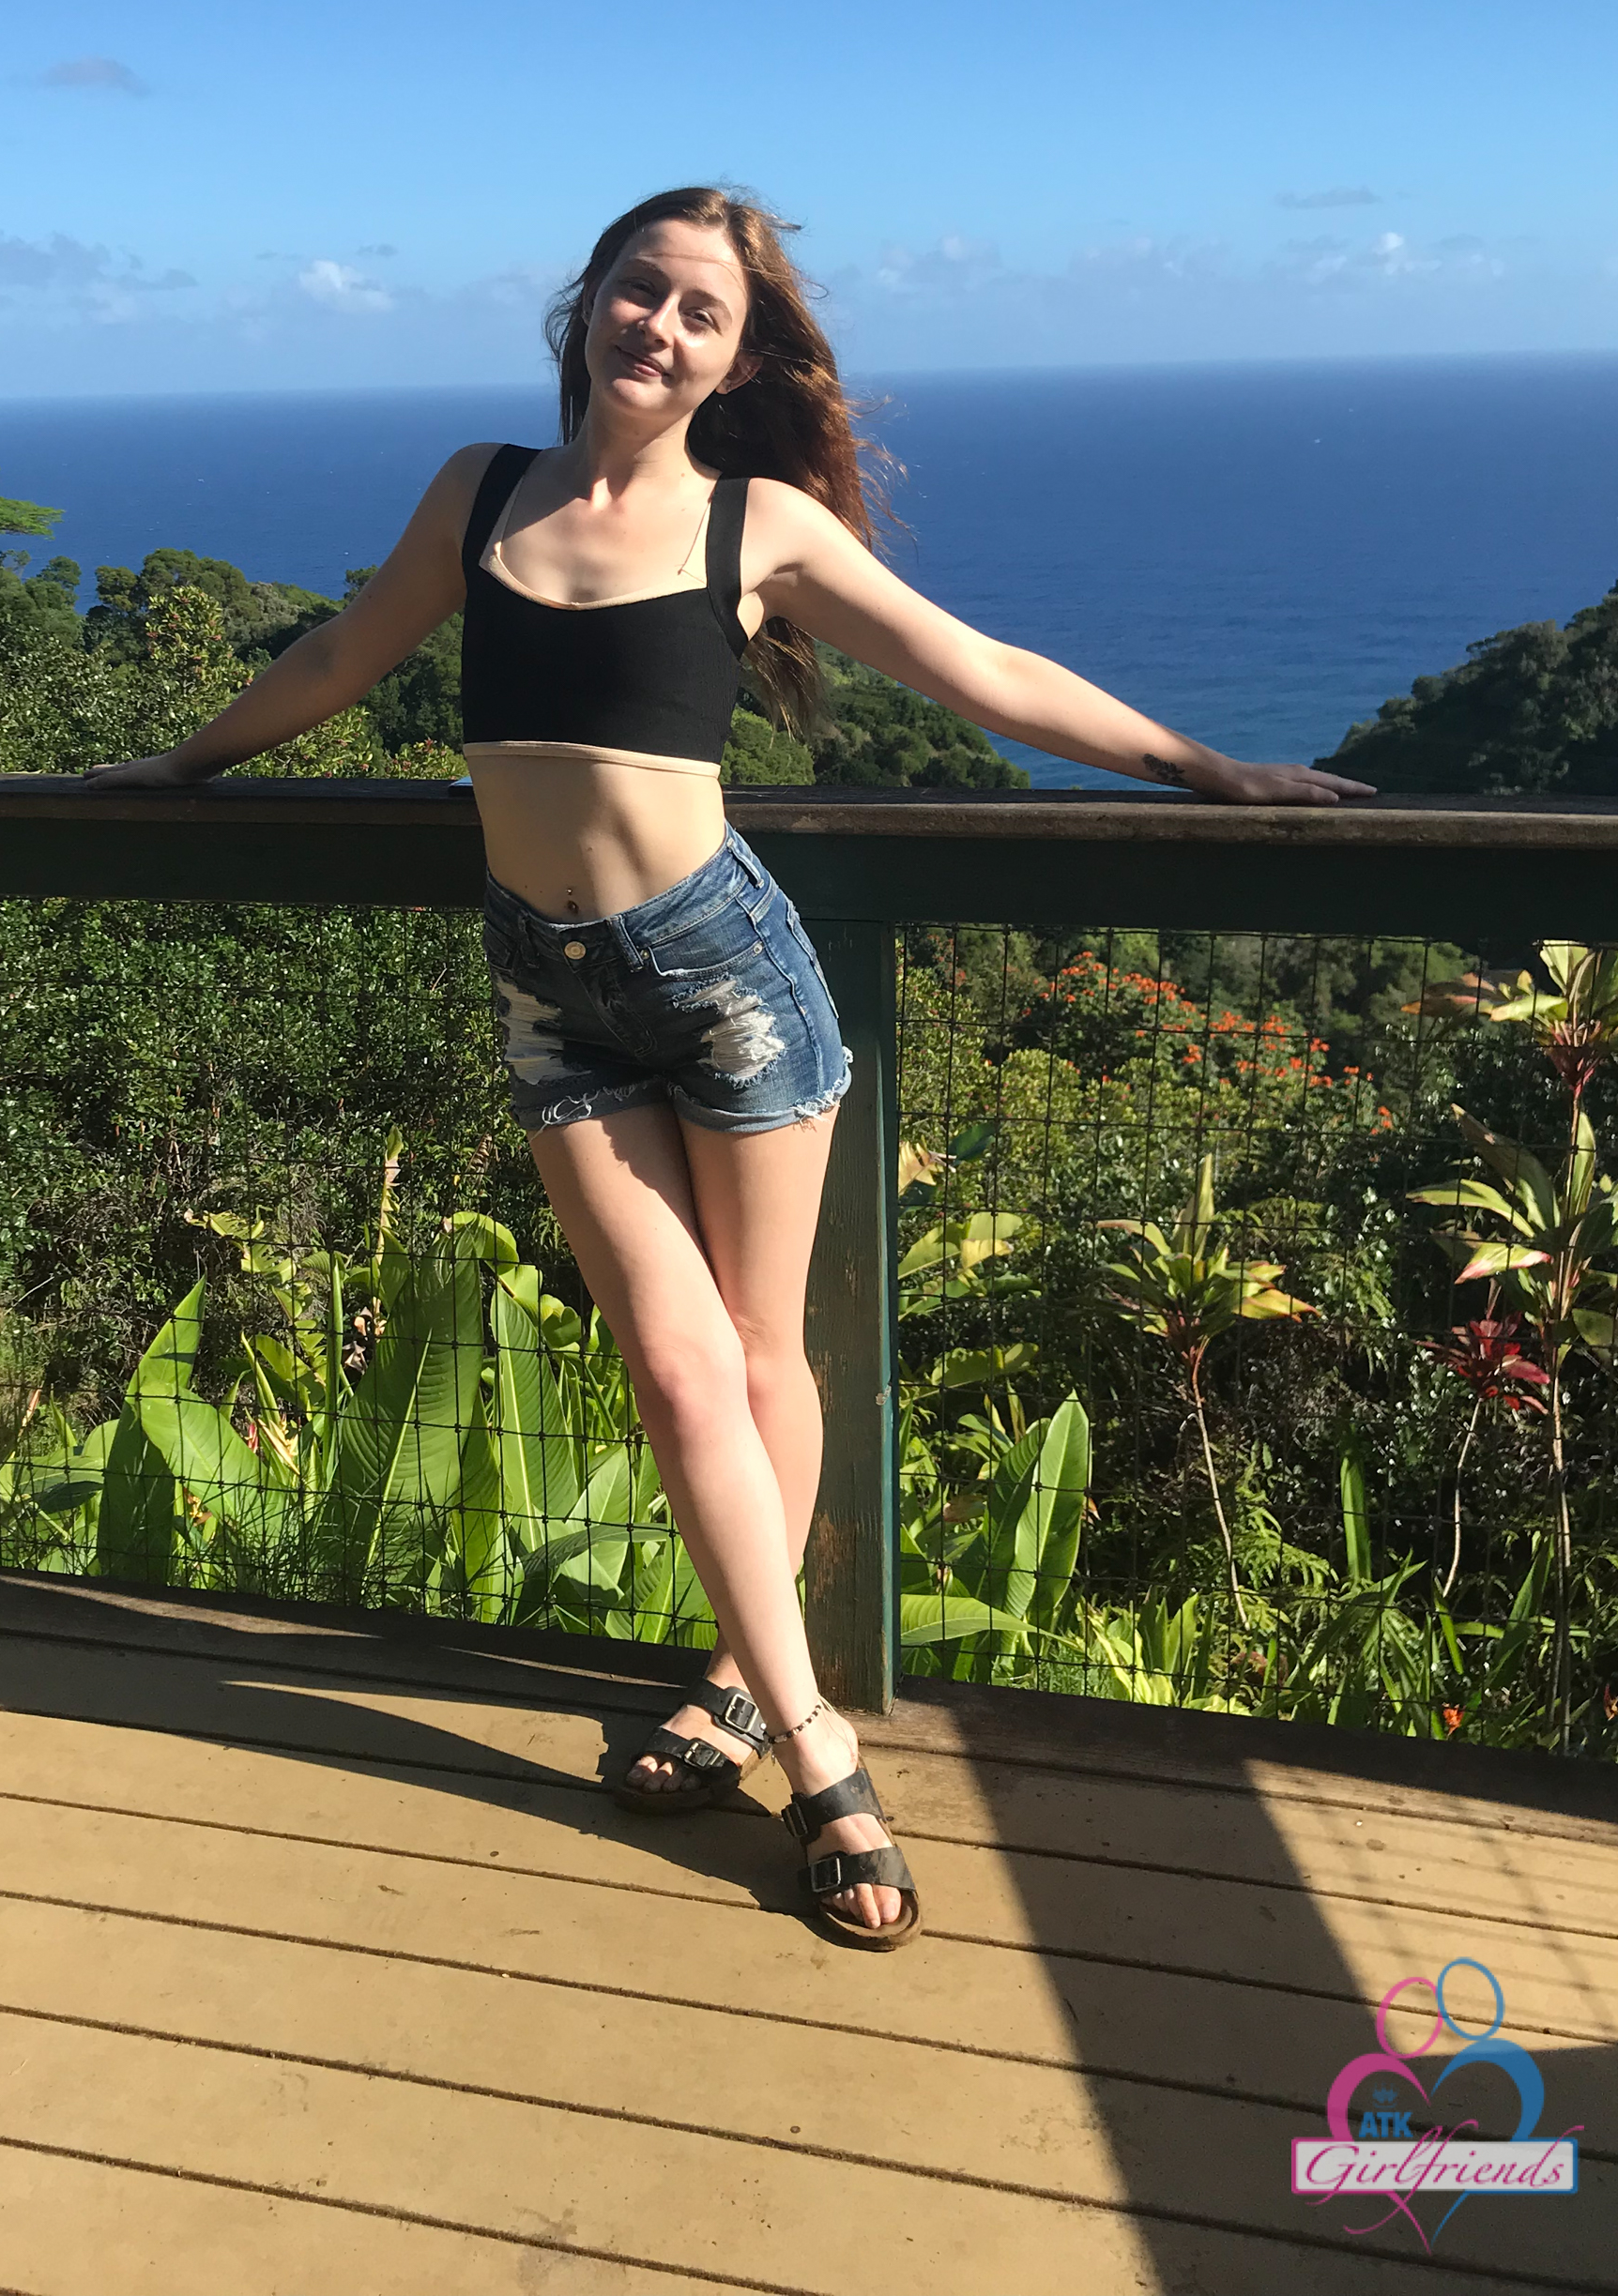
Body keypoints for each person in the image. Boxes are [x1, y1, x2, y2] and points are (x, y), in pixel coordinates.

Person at [86, 184, 1373, 1950]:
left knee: (751, 1359)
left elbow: (981, 672)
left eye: (703, 312)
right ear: (588, 302)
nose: (661, 326)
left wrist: (1211, 770)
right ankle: (799, 1715)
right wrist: (179, 767)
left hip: (723, 978)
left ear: (738, 360)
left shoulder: (755, 522)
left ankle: (773, 1714)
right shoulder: (480, 493)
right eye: (641, 290)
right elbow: (336, 653)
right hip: (548, 987)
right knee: (679, 1367)